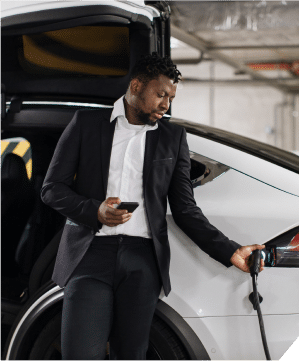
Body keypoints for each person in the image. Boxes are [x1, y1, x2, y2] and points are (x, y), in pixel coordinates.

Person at [41, 52, 264, 360]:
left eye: (170, 98)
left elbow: (186, 209)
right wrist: (96, 211)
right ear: (136, 86)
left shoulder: (173, 138)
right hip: (89, 257)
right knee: (79, 354)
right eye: (160, 94)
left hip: (143, 261)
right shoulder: (86, 124)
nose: (166, 105)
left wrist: (230, 250)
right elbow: (52, 189)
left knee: (131, 355)